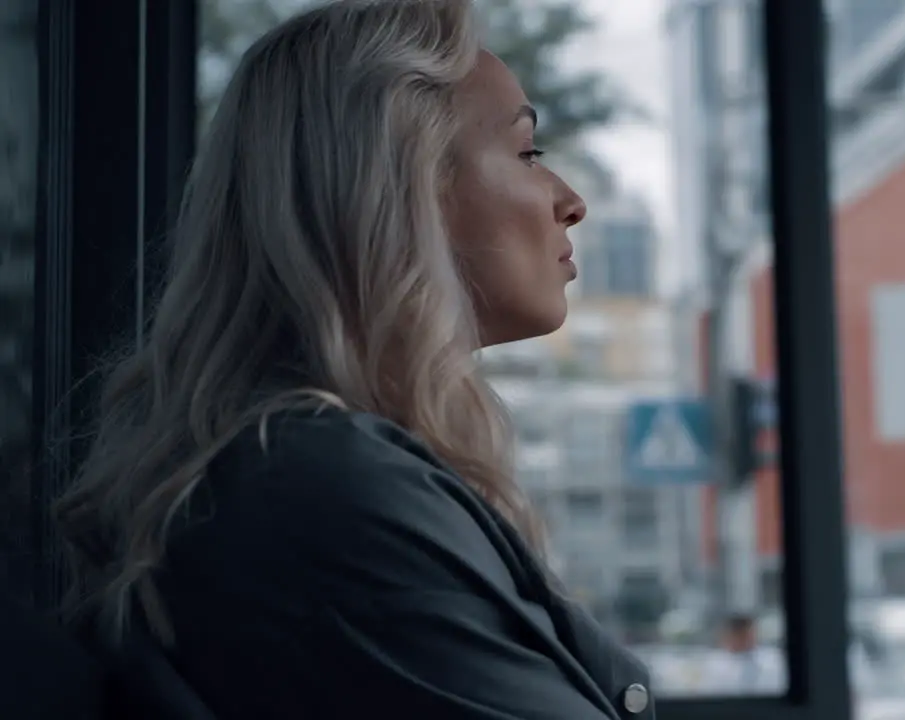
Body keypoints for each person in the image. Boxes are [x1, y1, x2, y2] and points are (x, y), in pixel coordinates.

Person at [53, 2, 654, 718]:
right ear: (400, 187)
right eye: (528, 154)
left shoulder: (298, 466)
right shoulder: (326, 484)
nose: (572, 202)